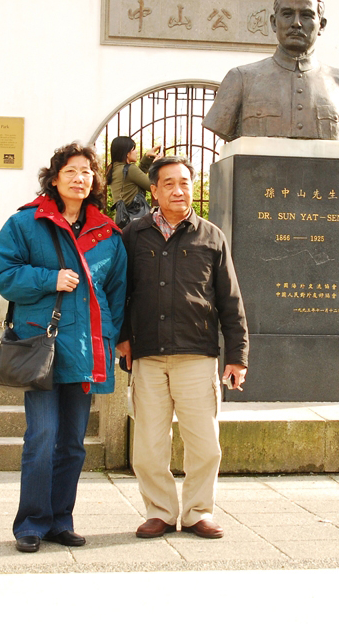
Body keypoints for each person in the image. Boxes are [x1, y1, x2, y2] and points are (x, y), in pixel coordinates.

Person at [0, 141, 127, 553]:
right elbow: (2, 273)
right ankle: (31, 523)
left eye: (87, 172)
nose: (79, 179)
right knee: (43, 436)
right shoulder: (27, 223)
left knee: (72, 443)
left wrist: (113, 338)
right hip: (42, 348)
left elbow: (117, 292)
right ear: (54, 178)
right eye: (71, 171)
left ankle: (60, 521)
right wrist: (49, 279)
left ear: (95, 181)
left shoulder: (107, 233)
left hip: (85, 349)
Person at [116, 156, 249, 540]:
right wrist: (122, 336)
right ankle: (159, 511)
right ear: (154, 191)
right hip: (148, 355)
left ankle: (197, 513)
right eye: (169, 184)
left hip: (196, 354)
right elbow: (119, 291)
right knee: (148, 445)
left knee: (205, 444)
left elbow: (230, 300)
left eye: (185, 183)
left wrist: (237, 356)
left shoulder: (211, 236)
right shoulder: (134, 235)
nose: (178, 190)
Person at [202, 0, 339, 142]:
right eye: (287, 14)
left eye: (306, 15)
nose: (296, 23)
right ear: (274, 23)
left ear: (321, 25)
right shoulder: (241, 78)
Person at [105, 136, 161, 227]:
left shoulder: (114, 168)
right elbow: (152, 186)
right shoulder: (130, 169)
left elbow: (137, 178)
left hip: (124, 220)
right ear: (127, 153)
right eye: (133, 149)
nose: (136, 151)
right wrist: (156, 166)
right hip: (136, 220)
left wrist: (147, 158)